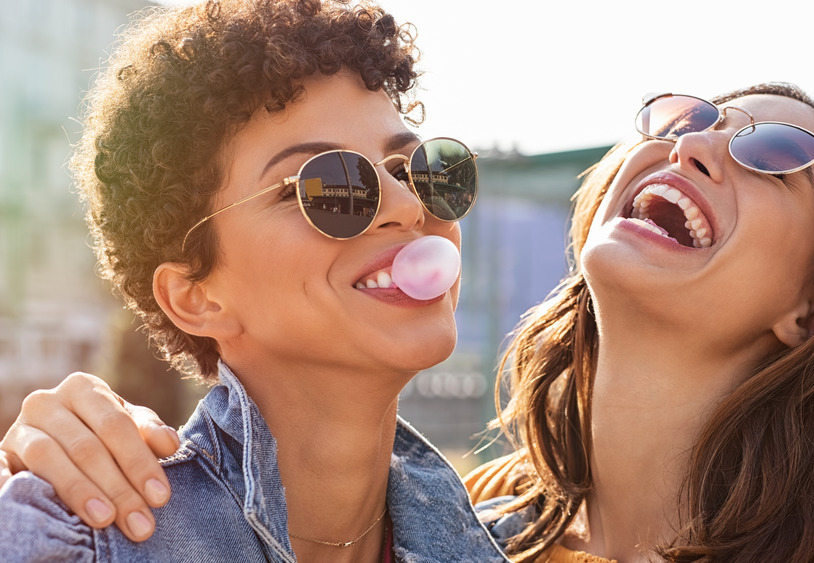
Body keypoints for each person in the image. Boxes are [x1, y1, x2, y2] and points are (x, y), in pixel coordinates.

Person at [0, 81, 814, 561]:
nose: (693, 143)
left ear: (813, 307)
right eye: (686, 116)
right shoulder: (476, 527)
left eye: (773, 150)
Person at [0, 0, 507, 561]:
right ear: (197, 298)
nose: (408, 205)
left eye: (415, 168)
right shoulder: (74, 540)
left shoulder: (499, 541)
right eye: (329, 186)